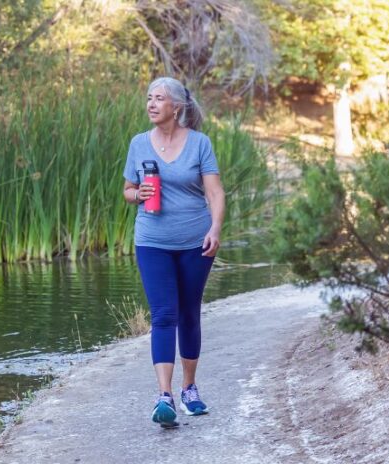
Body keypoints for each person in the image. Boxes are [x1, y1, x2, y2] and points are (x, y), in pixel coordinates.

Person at [122, 77, 226, 428]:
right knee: (163, 314)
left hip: (196, 241)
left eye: (159, 99)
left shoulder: (199, 143)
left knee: (189, 313)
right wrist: (137, 194)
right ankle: (164, 396)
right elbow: (128, 189)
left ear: (177, 107)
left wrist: (215, 229)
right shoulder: (139, 143)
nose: (151, 104)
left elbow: (215, 192)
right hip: (152, 240)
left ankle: (189, 389)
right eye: (149, 98)